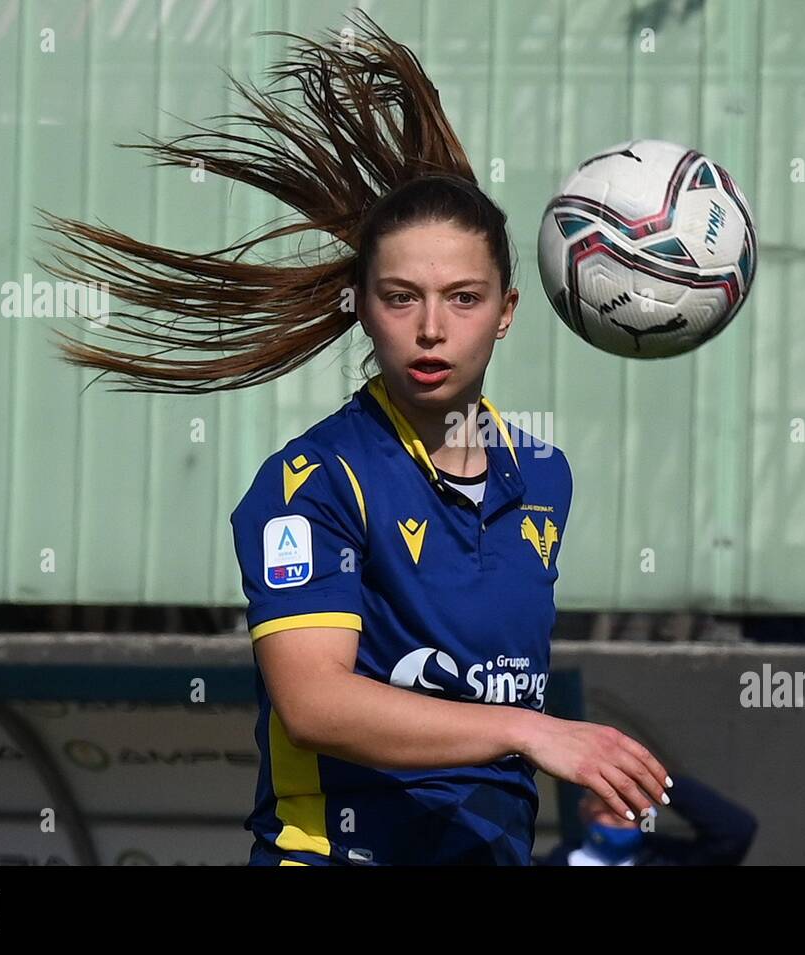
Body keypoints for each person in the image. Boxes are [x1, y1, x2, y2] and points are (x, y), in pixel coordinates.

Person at [37, 10, 670, 866]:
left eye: (464, 297)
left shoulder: (544, 475)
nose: (432, 328)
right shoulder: (313, 482)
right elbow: (317, 705)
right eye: (401, 297)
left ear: (509, 313)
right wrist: (535, 730)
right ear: (362, 308)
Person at [539, 774, 757, 866]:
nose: (622, 815)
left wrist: (655, 778)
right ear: (584, 810)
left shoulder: (670, 860)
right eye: (609, 805)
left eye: (633, 808)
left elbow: (736, 830)